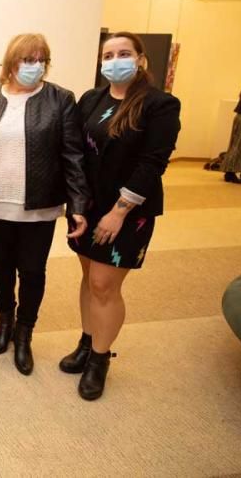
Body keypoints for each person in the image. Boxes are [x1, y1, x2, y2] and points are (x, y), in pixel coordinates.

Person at [63, 32, 180, 400]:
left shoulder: (160, 104)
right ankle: (87, 341)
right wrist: (77, 206)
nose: (115, 60)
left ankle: (100, 358)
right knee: (87, 276)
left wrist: (119, 211)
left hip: (130, 211)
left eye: (124, 53)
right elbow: (77, 154)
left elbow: (152, 163)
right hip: (88, 207)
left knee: (104, 284)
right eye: (109, 54)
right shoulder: (91, 100)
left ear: (141, 59)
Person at [0, 33, 89, 376]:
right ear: (12, 62)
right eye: (27, 59)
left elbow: (73, 156)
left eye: (41, 60)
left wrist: (77, 203)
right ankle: (4, 324)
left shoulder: (60, 100)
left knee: (33, 271)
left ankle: (25, 334)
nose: (34, 66)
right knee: (2, 266)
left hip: (39, 205)